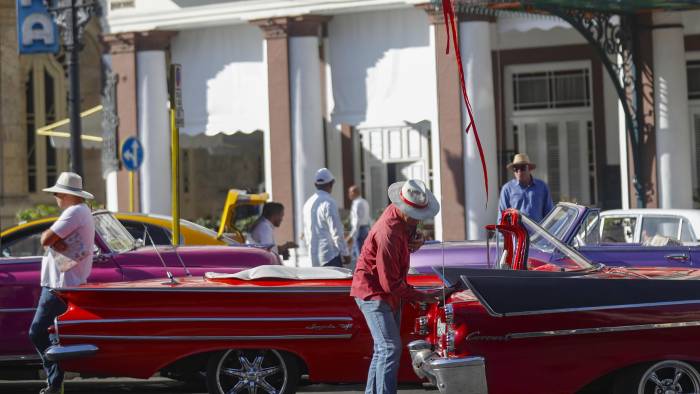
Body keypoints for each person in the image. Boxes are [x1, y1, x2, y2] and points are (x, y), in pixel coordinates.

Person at [350, 179, 441, 394]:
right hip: (373, 292)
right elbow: (389, 284)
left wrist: (415, 241)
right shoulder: (388, 233)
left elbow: (406, 241)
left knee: (383, 350)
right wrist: (424, 296)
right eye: (415, 216)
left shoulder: (400, 218)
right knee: (389, 348)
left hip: (381, 290)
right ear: (404, 208)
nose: (417, 221)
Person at [29, 172, 95, 394]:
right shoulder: (81, 211)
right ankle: (56, 379)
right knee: (51, 334)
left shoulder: (74, 212)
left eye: (57, 193)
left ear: (66, 195)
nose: (55, 197)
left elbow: (45, 239)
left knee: (37, 332)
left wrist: (49, 237)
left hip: (59, 286)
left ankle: (55, 380)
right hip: (62, 284)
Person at [302, 168, 350, 267]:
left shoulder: (307, 204)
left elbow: (306, 232)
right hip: (330, 256)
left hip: (314, 259)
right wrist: (345, 253)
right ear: (331, 183)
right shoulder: (329, 202)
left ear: (315, 185)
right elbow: (336, 231)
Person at [498, 153, 553, 223]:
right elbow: (502, 217)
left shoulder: (542, 187)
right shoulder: (507, 189)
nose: (519, 171)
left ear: (529, 169)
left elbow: (549, 214)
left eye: (522, 168)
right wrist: (502, 233)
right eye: (516, 169)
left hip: (538, 232)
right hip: (516, 233)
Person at [345, 184, 371, 259]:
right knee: (364, 253)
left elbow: (357, 221)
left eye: (350, 192)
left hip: (359, 231)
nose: (349, 194)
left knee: (360, 256)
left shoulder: (357, 203)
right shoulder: (364, 201)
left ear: (355, 192)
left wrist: (351, 236)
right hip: (365, 229)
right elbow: (368, 218)